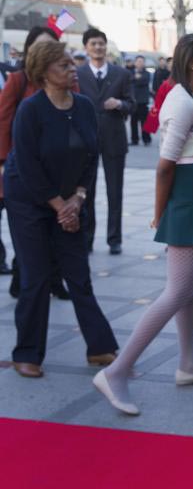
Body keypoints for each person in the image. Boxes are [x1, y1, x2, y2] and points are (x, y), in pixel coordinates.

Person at [93, 34, 193, 415]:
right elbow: (165, 166)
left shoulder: (190, 98)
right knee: (178, 290)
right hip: (185, 199)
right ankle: (117, 371)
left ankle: (188, 364)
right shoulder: (181, 102)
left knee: (189, 287)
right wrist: (159, 211)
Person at [5, 40, 118, 378]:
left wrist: (77, 199)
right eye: (64, 66)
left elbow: (91, 156)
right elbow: (27, 166)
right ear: (43, 73)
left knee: (78, 273)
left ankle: (99, 347)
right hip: (28, 200)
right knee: (36, 276)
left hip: (70, 197)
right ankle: (27, 353)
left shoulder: (83, 105)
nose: (72, 70)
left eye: (72, 64)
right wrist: (59, 206)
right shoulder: (31, 110)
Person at [0, 26, 73, 298]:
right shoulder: (19, 80)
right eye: (40, 45)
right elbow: (3, 122)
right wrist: (4, 161)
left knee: (56, 227)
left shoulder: (67, 79)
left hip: (58, 170)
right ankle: (24, 277)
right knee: (29, 230)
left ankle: (54, 279)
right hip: (23, 168)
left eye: (52, 46)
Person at [76, 27, 135, 255]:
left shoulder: (121, 74)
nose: (98, 47)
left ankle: (114, 239)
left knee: (115, 191)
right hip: (85, 140)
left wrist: (119, 104)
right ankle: (87, 238)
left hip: (114, 138)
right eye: (93, 43)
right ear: (86, 48)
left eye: (101, 43)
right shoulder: (78, 74)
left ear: (106, 45)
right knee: (86, 191)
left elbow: (132, 104)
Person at [130, 55, 153, 145]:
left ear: (144, 63)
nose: (140, 63)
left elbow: (144, 81)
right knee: (133, 122)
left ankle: (146, 139)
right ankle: (134, 140)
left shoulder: (147, 73)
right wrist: (135, 78)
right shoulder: (130, 72)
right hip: (133, 101)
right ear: (135, 63)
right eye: (138, 61)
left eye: (142, 61)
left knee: (145, 122)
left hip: (143, 101)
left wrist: (136, 80)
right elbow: (129, 81)